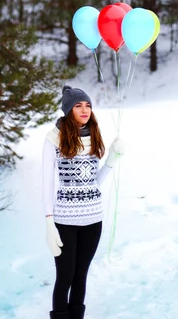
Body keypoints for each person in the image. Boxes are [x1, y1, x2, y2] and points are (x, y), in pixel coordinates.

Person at [42, 85, 126, 319]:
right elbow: (47, 184)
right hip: (65, 220)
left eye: (88, 105)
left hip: (93, 219)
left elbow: (93, 183)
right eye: (78, 106)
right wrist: (49, 223)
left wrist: (113, 158)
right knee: (65, 276)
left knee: (81, 275)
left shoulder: (94, 134)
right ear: (68, 110)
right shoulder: (53, 139)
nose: (85, 110)